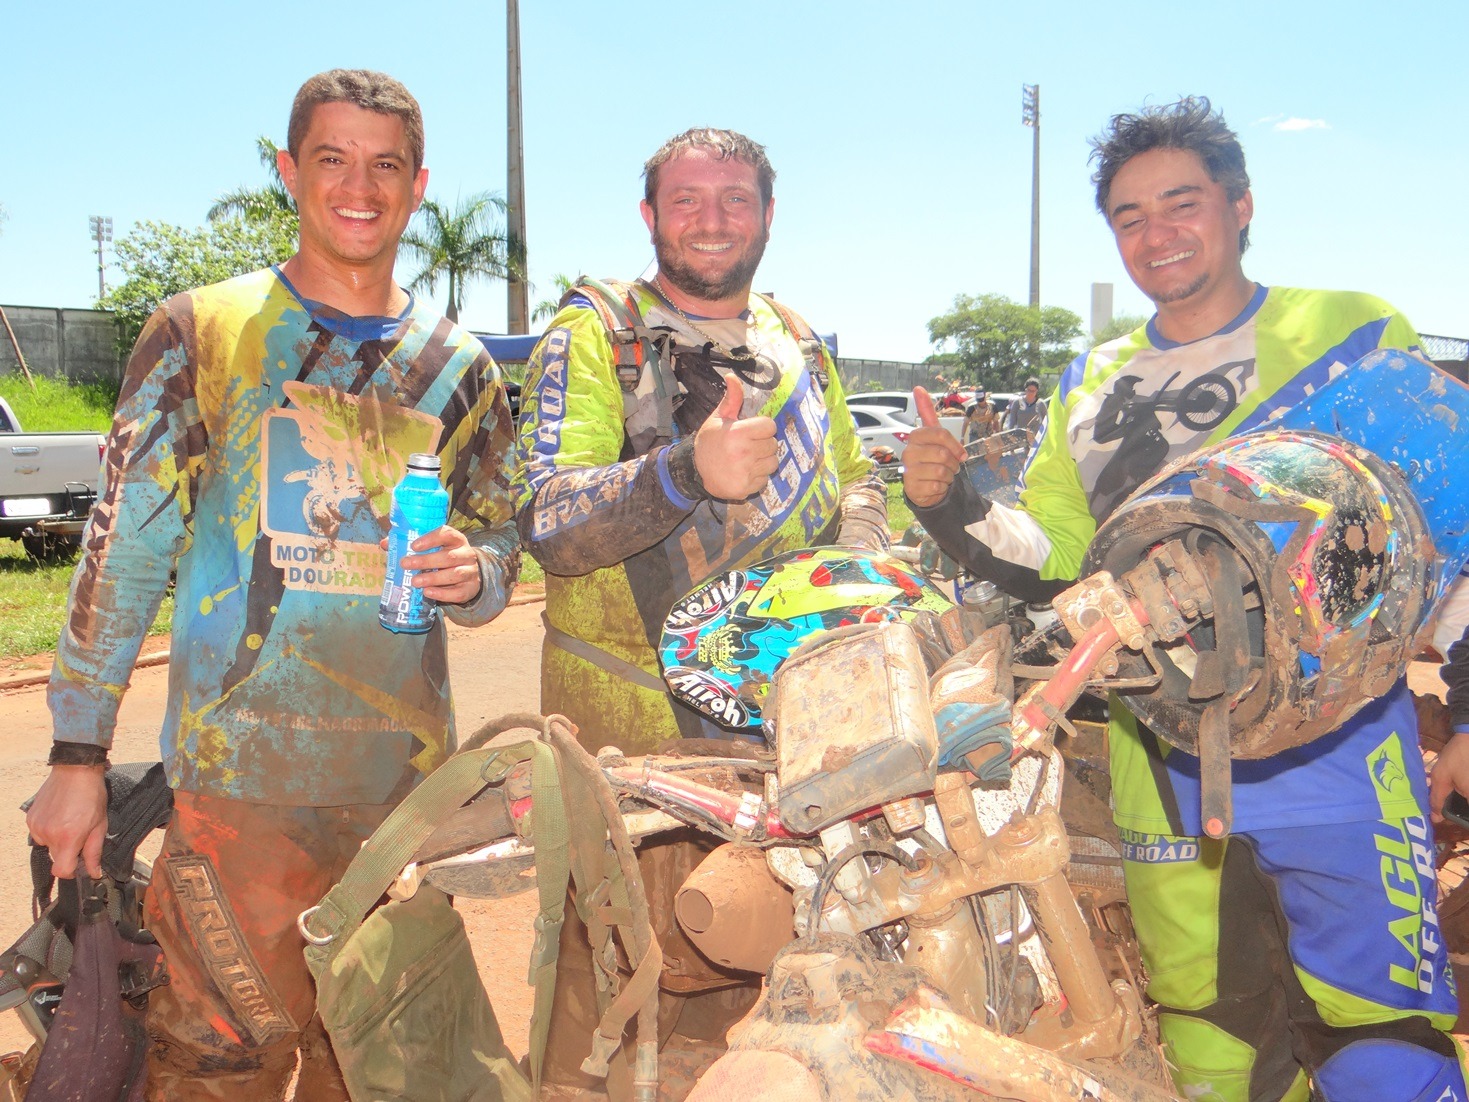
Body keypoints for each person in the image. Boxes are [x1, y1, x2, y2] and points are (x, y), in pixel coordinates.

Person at [903, 96, 1469, 1102]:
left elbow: (1442, 521)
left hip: (1342, 754)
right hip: (1156, 753)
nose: (1154, 234)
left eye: (1180, 203)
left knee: (1383, 1039)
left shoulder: (1344, 328)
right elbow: (1054, 557)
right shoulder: (1090, 382)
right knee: (1214, 1042)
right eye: (1128, 216)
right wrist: (952, 504)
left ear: (1239, 205)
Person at [27, 69, 520, 1100]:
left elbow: (498, 544)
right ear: (291, 172)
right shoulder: (204, 332)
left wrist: (474, 574)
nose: (359, 186)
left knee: (375, 1073)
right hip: (235, 800)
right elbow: (123, 550)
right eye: (331, 158)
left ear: (418, 185)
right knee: (215, 1068)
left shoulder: (459, 367)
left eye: (385, 165)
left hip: (397, 809)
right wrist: (78, 752)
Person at [513, 127, 887, 1095]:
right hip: (626, 766)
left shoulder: (798, 341)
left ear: (767, 214)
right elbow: (546, 518)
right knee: (606, 1027)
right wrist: (685, 472)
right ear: (648, 217)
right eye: (685, 199)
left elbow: (855, 480)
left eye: (733, 198)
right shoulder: (593, 333)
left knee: (756, 1020)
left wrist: (861, 557)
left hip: (779, 757)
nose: (710, 219)